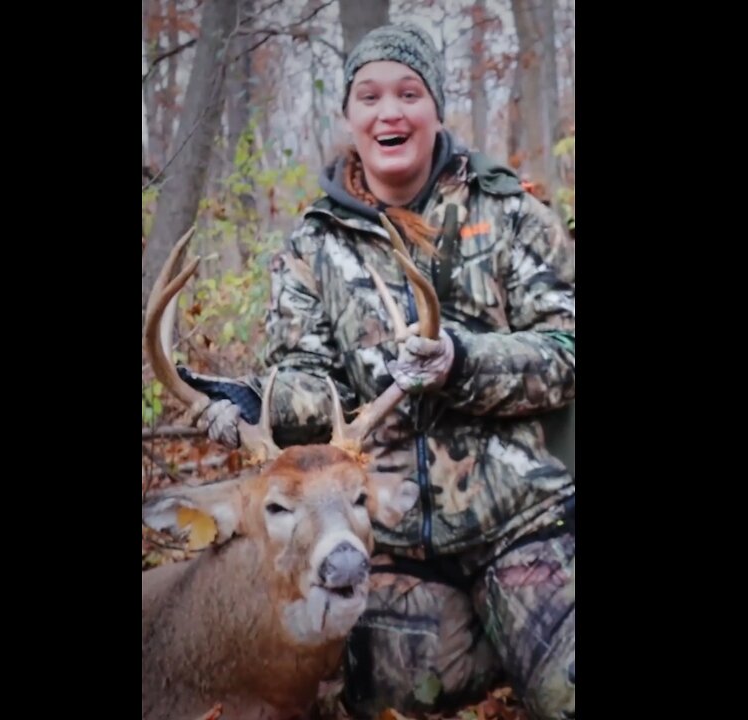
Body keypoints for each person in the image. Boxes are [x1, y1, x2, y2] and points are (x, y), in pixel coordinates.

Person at [190, 23, 575, 720]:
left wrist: (463, 360)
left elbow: (567, 350)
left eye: (408, 93)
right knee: (363, 703)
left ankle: (517, 629)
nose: (388, 111)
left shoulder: (511, 213)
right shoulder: (313, 245)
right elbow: (308, 378)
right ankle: (492, 640)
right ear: (349, 115)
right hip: (388, 543)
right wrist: (256, 403)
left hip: (527, 525)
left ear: (436, 109)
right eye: (368, 95)